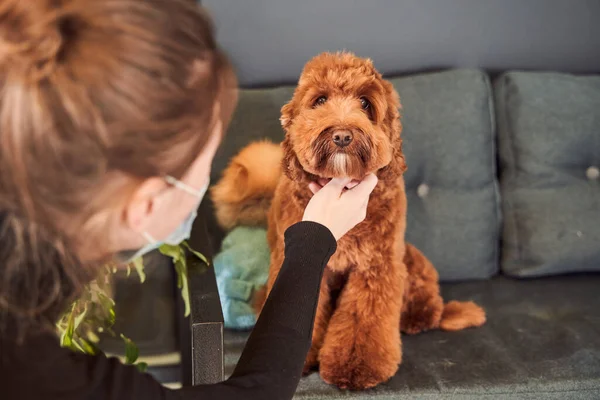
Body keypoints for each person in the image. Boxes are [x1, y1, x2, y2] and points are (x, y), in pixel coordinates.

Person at [0, 1, 378, 399]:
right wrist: (314, 238)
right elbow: (258, 393)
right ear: (147, 203)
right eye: (207, 160)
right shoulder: (44, 378)